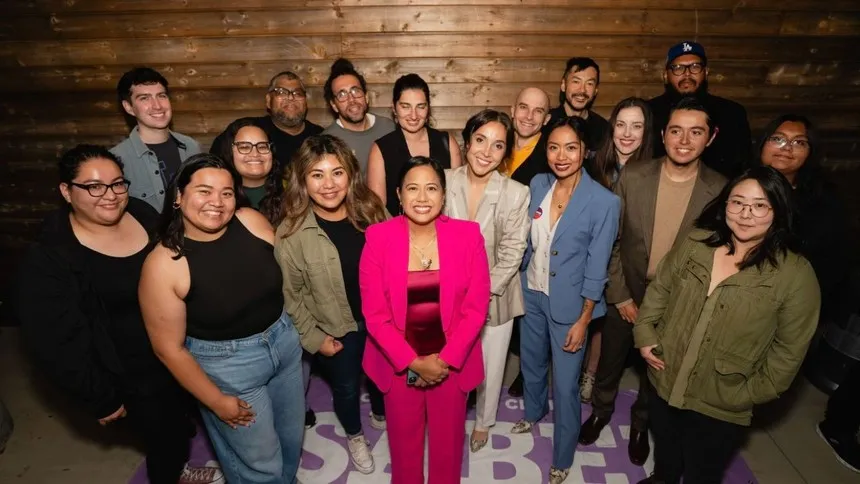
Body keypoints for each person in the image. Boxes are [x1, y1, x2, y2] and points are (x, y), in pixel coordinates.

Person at [17, 145, 222, 484]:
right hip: (130, 372)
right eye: (93, 186)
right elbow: (54, 342)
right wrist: (100, 398)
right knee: (164, 441)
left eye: (117, 184)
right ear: (66, 191)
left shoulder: (141, 212)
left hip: (175, 349)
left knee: (183, 419)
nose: (109, 195)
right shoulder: (51, 258)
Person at [634, 166, 820, 484]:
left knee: (702, 471)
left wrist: (748, 393)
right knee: (666, 449)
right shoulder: (696, 242)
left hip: (721, 403)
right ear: (725, 205)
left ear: (779, 210)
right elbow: (661, 288)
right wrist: (645, 334)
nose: (746, 214)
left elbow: (789, 351)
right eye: (737, 202)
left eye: (760, 205)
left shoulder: (795, 276)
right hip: (665, 377)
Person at [139, 154, 305, 484]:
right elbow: (168, 350)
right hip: (229, 366)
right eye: (204, 191)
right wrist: (215, 401)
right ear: (178, 196)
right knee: (258, 463)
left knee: (291, 440)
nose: (217, 202)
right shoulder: (164, 264)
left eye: (226, 192)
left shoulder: (250, 220)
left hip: (284, 343)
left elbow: (290, 277)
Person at [580, 96, 726, 466]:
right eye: (676, 130)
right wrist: (621, 295)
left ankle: (641, 423)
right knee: (610, 358)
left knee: (656, 366)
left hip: (676, 299)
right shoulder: (634, 176)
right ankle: (601, 410)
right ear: (663, 135)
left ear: (710, 138)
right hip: (626, 288)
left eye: (696, 132)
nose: (683, 140)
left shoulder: (721, 190)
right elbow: (610, 241)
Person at [360, 156, 490, 484]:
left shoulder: (468, 236)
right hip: (398, 363)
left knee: (447, 454)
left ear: (443, 196)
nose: (422, 197)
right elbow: (375, 316)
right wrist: (415, 363)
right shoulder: (378, 238)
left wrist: (443, 361)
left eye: (431, 188)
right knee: (404, 455)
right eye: (413, 189)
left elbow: (475, 309)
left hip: (451, 363)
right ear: (398, 194)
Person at [511, 117, 620, 484]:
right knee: (531, 362)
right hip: (531, 292)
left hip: (571, 305)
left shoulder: (604, 202)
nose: (561, 156)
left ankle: (562, 455)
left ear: (585, 151)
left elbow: (597, 264)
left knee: (566, 384)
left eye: (570, 148)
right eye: (554, 147)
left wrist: (584, 317)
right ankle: (534, 410)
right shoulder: (539, 183)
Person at [274, 135, 388, 474]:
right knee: (347, 387)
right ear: (302, 180)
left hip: (381, 320)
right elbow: (290, 296)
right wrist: (314, 338)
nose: (328, 184)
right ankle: (354, 435)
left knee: (382, 376)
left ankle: (381, 412)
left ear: (350, 174)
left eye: (337, 172)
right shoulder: (290, 233)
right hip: (337, 329)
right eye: (317, 175)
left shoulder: (374, 211)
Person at [443, 110, 530, 452]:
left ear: (505, 152)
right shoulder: (443, 181)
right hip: (445, 294)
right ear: (467, 142)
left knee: (491, 364)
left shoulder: (516, 193)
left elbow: (512, 253)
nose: (486, 152)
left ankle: (483, 421)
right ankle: (450, 413)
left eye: (497, 145)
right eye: (480, 140)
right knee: (449, 361)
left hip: (495, 295)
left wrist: (475, 295)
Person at [579, 97, 655, 403]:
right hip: (590, 259)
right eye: (621, 125)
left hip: (627, 269)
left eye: (636, 126)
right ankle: (585, 371)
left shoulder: (655, 173)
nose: (627, 133)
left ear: (647, 132)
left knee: (609, 329)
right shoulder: (595, 166)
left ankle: (594, 375)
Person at [756, 114, 850, 320]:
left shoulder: (824, 203)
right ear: (763, 144)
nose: (786, 147)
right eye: (777, 139)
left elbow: (834, 265)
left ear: (809, 153)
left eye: (799, 142)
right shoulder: (733, 189)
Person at [504, 87, 552, 398]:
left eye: (538, 111)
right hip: (486, 241)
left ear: (546, 118)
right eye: (524, 107)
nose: (529, 116)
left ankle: (526, 369)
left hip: (526, 245)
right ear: (513, 109)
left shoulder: (549, 155)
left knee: (526, 314)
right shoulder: (497, 143)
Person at [648, 41, 752, 179]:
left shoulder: (731, 112)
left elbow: (742, 165)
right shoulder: (648, 111)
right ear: (666, 75)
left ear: (706, 72)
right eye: (678, 68)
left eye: (695, 67)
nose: (687, 74)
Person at [368, 73, 463, 215]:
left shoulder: (447, 143)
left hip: (442, 232)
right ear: (394, 108)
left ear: (428, 108)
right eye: (405, 106)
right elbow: (377, 211)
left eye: (420, 106)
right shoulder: (381, 149)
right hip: (398, 233)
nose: (413, 115)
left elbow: (457, 202)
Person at [111, 67, 201, 212]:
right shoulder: (117, 159)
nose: (157, 106)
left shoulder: (190, 147)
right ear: (129, 107)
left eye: (161, 96)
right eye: (144, 98)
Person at [210, 71, 324, 169]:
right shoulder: (244, 130)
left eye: (297, 93)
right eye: (281, 92)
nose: (290, 98)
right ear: (269, 100)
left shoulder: (320, 136)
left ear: (305, 101)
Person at [322, 58, 396, 172]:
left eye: (355, 91)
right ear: (334, 105)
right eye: (342, 95)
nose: (351, 100)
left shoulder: (389, 128)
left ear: (366, 96)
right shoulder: (326, 141)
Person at [216, 117, 284, 224]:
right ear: (229, 153)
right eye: (244, 147)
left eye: (262, 146)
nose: (255, 154)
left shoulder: (292, 195)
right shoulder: (217, 200)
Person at [546, 57, 610, 160]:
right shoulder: (547, 123)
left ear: (595, 90)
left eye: (589, 84)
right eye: (576, 82)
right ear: (563, 85)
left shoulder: (603, 129)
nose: (582, 90)